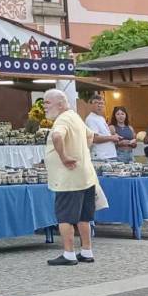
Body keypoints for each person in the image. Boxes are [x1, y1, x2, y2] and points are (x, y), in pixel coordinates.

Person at [41, 89, 98, 266]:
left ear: (60, 104)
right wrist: (81, 152)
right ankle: (87, 251)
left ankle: (69, 254)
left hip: (68, 178)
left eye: (47, 102)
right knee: (84, 216)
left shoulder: (62, 119)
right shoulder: (75, 116)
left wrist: (65, 157)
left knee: (65, 217)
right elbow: (90, 135)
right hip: (85, 175)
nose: (44, 106)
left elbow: (57, 135)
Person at [85, 93, 117, 162]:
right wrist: (112, 137)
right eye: (96, 103)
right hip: (101, 157)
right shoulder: (91, 119)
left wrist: (114, 136)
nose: (100, 105)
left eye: (102, 103)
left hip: (109, 155)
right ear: (91, 104)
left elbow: (105, 135)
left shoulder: (101, 118)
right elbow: (94, 138)